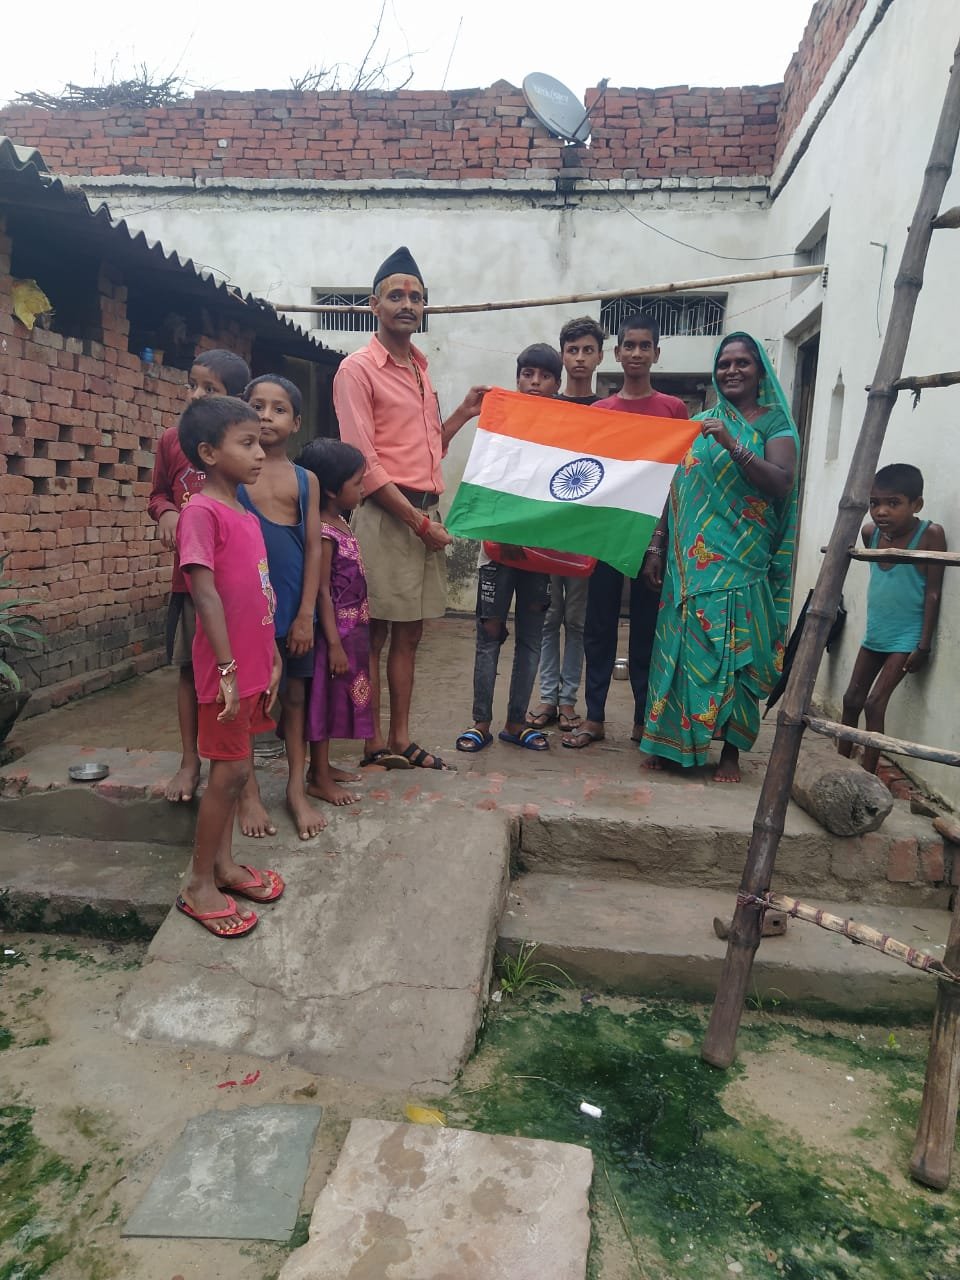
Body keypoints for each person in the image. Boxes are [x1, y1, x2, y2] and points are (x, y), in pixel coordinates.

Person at [334, 246, 486, 771]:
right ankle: (373, 741)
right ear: (373, 305)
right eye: (396, 295)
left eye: (416, 297)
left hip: (423, 515)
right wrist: (419, 524)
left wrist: (463, 412)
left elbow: (427, 451)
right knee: (375, 634)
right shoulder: (357, 370)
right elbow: (365, 464)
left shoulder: (420, 370)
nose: (407, 304)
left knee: (412, 633)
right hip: (386, 518)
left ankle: (402, 738)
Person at [639, 331, 800, 783]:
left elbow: (781, 482)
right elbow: (673, 488)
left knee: (739, 652)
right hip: (689, 564)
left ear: (760, 371)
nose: (732, 370)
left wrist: (733, 444)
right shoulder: (699, 423)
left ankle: (730, 753)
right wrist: (657, 545)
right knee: (680, 648)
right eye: (724, 363)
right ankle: (670, 745)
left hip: (742, 560)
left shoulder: (774, 425)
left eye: (742, 362)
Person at [174, 395, 284, 938]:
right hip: (226, 673)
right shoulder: (201, 512)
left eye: (260, 442)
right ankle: (199, 883)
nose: (260, 453)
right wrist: (225, 670)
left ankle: (222, 866)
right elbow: (206, 595)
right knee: (231, 772)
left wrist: (273, 655)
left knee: (236, 768)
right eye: (247, 443)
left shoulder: (244, 512)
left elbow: (258, 590)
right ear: (209, 453)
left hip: (253, 664)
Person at [562, 315, 689, 749]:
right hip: (607, 536)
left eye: (644, 346)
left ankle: (643, 719)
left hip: (654, 538)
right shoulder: (602, 412)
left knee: (647, 630)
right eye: (629, 345)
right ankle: (594, 717)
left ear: (656, 352)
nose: (636, 353)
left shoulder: (673, 409)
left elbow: (676, 480)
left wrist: (658, 542)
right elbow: (590, 473)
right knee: (598, 627)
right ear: (616, 354)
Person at [149, 348, 251, 804]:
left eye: (210, 388)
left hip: (239, 585)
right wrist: (167, 512)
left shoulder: (244, 447)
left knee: (242, 674)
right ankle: (190, 761)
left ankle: (235, 773)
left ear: (236, 399)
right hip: (191, 584)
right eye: (192, 384)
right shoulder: (173, 441)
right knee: (192, 672)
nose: (195, 394)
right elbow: (156, 494)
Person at [455, 344, 559, 755]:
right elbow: (484, 479)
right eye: (527, 374)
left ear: (556, 384)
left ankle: (517, 723)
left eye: (544, 376)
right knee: (489, 635)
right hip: (497, 552)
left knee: (532, 639)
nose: (535, 382)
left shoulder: (564, 429)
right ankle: (480, 723)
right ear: (517, 378)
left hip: (541, 552)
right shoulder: (499, 424)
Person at [238, 375, 325, 840]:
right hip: (246, 614)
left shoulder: (305, 480)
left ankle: (295, 788)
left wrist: (306, 614)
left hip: (292, 611)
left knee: (294, 698)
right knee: (247, 702)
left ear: (296, 422)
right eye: (257, 407)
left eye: (278, 409)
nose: (267, 416)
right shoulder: (235, 475)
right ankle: (248, 791)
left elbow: (313, 550)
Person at [839, 464, 945, 774]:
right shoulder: (870, 533)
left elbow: (933, 593)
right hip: (875, 633)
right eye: (874, 503)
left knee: (874, 703)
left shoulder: (930, 535)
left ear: (917, 504)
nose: (881, 511)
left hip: (906, 638)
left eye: (893, 503)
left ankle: (867, 777)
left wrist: (923, 646)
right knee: (851, 699)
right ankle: (839, 766)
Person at [527, 318, 605, 733]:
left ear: (600, 356)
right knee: (547, 616)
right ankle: (546, 696)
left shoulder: (609, 410)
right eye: (572, 350)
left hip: (586, 530)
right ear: (563, 355)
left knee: (576, 620)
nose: (579, 358)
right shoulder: (544, 406)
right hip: (545, 527)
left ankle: (568, 699)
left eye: (587, 350)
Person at [297, 438, 371, 805]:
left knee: (337, 701)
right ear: (330, 489)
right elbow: (323, 591)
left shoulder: (341, 522)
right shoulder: (324, 533)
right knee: (322, 703)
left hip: (353, 630)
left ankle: (322, 768)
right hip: (334, 634)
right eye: (357, 482)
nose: (362, 489)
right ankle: (319, 779)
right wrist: (336, 644)